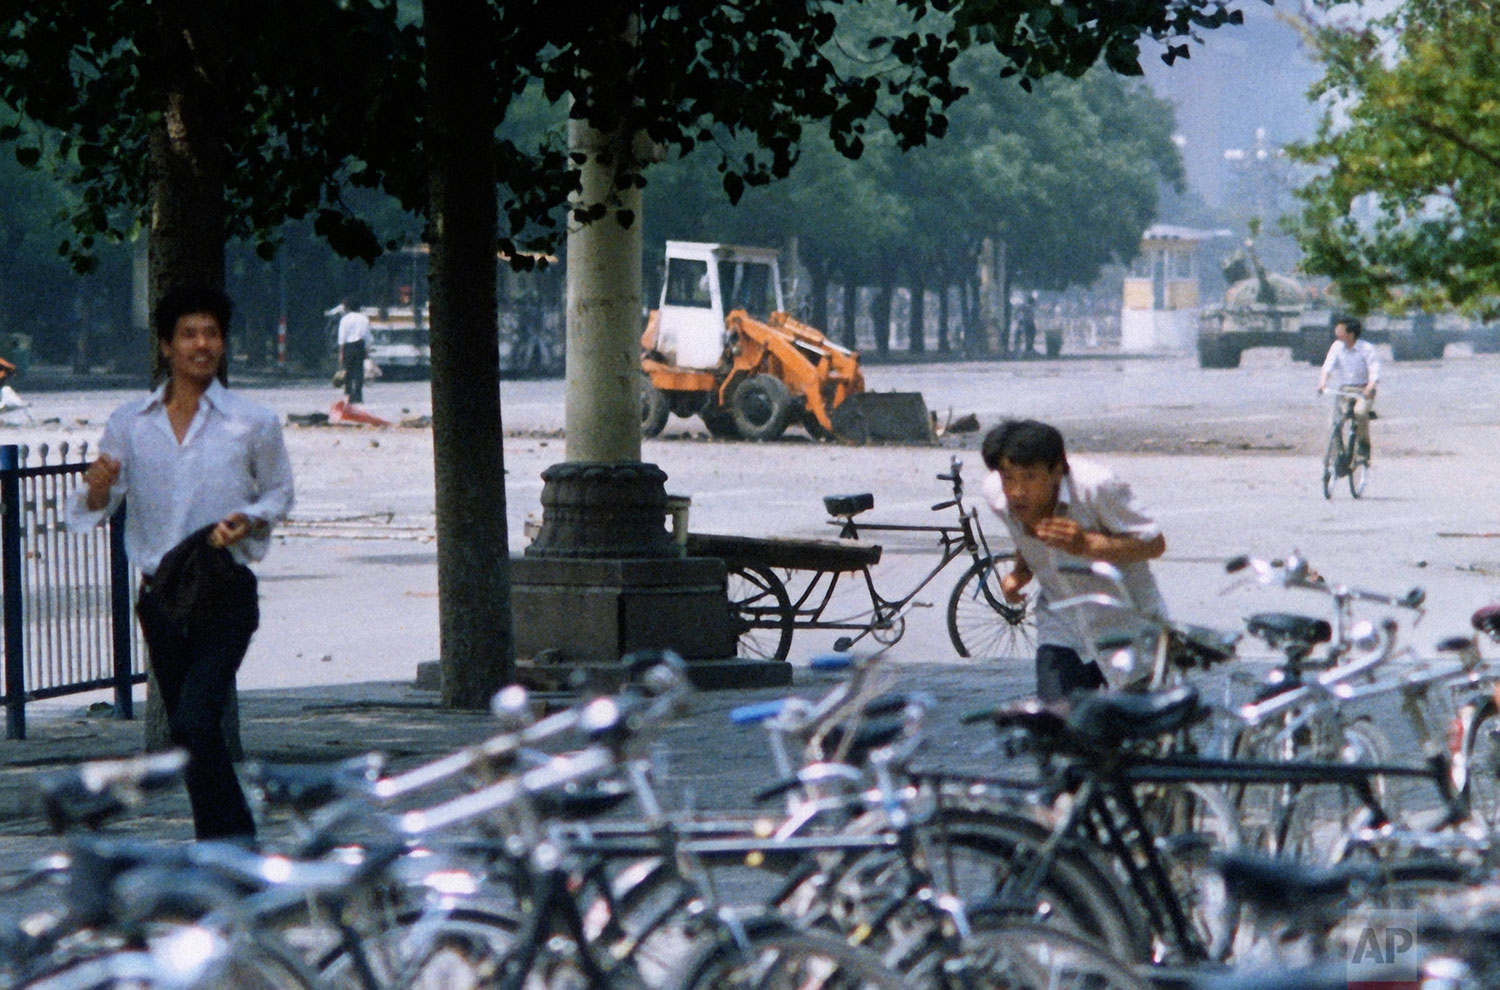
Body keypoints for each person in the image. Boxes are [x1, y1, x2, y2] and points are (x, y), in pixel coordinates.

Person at [67, 285, 295, 841]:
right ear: (165, 346)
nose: (202, 344)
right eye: (189, 334)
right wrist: (96, 489)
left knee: (195, 720)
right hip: (161, 599)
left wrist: (250, 519)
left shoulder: (253, 421)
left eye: (211, 333)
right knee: (190, 736)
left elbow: (279, 494)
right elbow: (95, 506)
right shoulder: (130, 422)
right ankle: (220, 848)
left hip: (224, 593)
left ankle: (235, 844)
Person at [980, 419, 1167, 702]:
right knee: (1059, 727)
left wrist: (1087, 544)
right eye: (1008, 477)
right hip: (1062, 627)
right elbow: (1024, 539)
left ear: (1057, 470)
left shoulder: (1097, 488)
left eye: (1029, 477)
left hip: (1126, 627)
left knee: (1133, 736)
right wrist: (1019, 573)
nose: (1017, 491)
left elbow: (1154, 544)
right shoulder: (997, 496)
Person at [1317, 316, 1379, 462]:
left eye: (1340, 330)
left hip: (1363, 390)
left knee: (1359, 413)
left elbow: (1374, 373)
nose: (1336, 332)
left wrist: (1369, 388)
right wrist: (1323, 382)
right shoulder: (1336, 347)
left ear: (1351, 334)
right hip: (1344, 390)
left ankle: (1364, 445)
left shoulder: (1367, 349)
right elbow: (1328, 366)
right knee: (1335, 421)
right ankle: (1337, 452)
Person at [336, 295, 372, 404]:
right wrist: (367, 350)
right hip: (359, 346)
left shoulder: (345, 319)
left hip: (348, 347)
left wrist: (341, 353)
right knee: (359, 372)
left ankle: (348, 394)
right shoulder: (364, 319)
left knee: (348, 371)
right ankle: (358, 395)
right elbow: (367, 336)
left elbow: (342, 337)